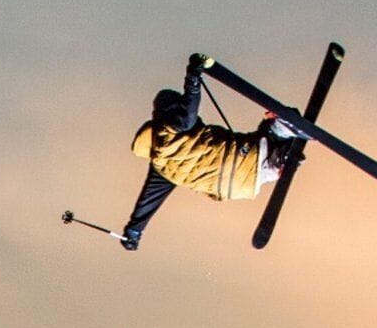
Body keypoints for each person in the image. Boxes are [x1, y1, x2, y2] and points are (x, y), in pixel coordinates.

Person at [120, 86, 302, 245]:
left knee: (264, 141)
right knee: (273, 127)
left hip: (239, 187)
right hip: (241, 161)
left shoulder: (161, 169)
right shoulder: (171, 127)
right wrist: (193, 76)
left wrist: (134, 232)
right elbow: (189, 110)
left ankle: (277, 163)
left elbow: (148, 201)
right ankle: (283, 130)